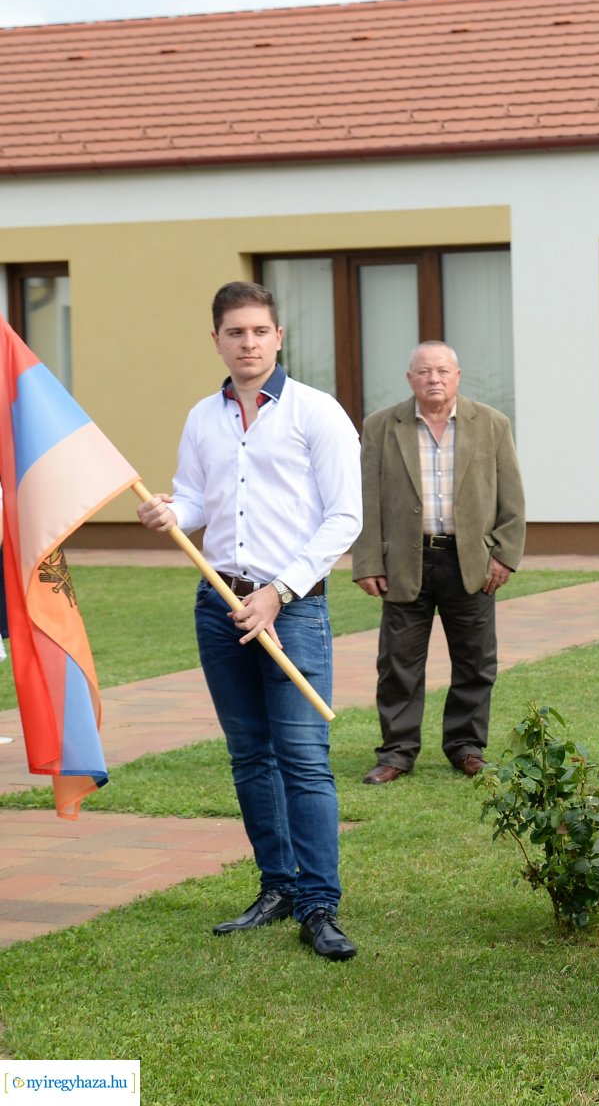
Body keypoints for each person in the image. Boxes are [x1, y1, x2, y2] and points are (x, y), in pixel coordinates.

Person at [136, 282, 362, 961]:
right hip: (218, 604)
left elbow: (345, 517)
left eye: (260, 331)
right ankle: (278, 886)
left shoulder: (316, 414)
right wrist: (171, 513)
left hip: (289, 608)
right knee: (249, 756)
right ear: (217, 340)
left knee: (301, 759)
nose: (249, 343)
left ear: (279, 337)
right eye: (235, 332)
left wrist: (279, 592)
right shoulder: (202, 417)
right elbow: (198, 500)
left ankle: (320, 905)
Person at [352, 342, 525, 784]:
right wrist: (368, 559)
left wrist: (503, 553)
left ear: (458, 375)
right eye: (424, 371)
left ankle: (466, 747)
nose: (434, 378)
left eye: (442, 371)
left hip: (470, 562)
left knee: (476, 661)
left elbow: (512, 496)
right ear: (410, 378)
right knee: (398, 664)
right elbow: (366, 498)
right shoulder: (379, 426)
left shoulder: (491, 424)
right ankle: (397, 752)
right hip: (403, 564)